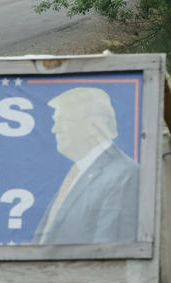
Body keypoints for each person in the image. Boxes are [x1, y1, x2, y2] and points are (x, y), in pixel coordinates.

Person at [32, 87, 139, 244]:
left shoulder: (123, 174)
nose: (55, 129)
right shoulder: (79, 171)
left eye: (62, 121)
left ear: (92, 126)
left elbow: (109, 249)